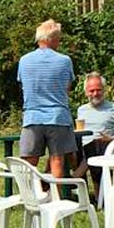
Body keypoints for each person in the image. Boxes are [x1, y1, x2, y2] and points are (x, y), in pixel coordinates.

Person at [17, 19, 76, 179]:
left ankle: (28, 191)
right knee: (57, 160)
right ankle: (56, 192)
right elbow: (67, 88)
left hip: (32, 117)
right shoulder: (64, 61)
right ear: (53, 39)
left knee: (29, 161)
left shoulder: (24, 60)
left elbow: (23, 85)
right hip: (58, 117)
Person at [74, 72, 114, 183]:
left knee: (96, 145)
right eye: (92, 91)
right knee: (63, 148)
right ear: (86, 92)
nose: (95, 94)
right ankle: (63, 183)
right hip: (83, 148)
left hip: (106, 148)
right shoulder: (81, 110)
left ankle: (74, 178)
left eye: (98, 90)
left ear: (104, 90)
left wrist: (112, 138)